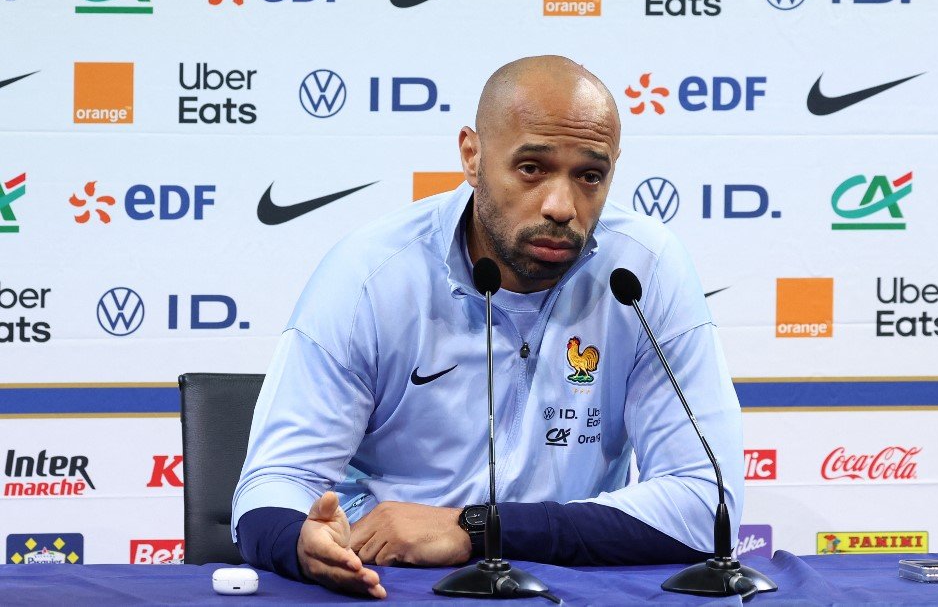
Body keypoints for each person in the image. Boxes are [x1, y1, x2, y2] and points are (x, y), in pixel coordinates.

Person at [232, 55, 744, 598]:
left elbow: (705, 505)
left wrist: (475, 528)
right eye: (532, 169)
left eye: (590, 176)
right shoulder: (371, 276)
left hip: (566, 586)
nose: (561, 206)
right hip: (395, 585)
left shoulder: (642, 271)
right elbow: (273, 484)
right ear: (472, 157)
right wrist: (301, 543)